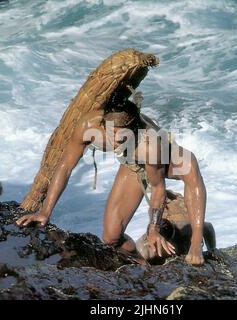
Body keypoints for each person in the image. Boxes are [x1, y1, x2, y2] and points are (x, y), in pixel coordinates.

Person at [16, 96, 208, 266]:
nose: (114, 140)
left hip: (163, 157)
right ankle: (142, 266)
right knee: (111, 239)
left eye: (121, 136)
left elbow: (157, 188)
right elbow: (65, 167)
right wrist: (45, 211)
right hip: (133, 161)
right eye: (111, 133)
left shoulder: (150, 146)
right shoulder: (88, 125)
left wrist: (153, 228)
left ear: (133, 129)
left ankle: (196, 242)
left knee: (189, 169)